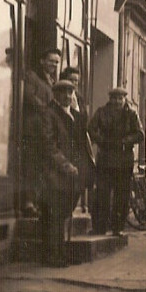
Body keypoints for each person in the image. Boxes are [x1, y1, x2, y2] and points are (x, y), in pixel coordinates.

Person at [36, 80, 89, 267]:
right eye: (63, 93)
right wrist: (65, 165)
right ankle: (52, 255)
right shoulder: (48, 114)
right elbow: (48, 145)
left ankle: (62, 252)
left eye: (70, 92)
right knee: (54, 214)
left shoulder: (74, 115)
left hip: (72, 175)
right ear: (55, 94)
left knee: (64, 214)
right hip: (54, 173)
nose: (67, 96)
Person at [89, 87, 144, 236]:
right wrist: (102, 141)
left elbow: (140, 134)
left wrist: (126, 141)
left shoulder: (132, 114)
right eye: (114, 98)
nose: (117, 102)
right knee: (102, 194)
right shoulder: (101, 112)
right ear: (110, 99)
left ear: (125, 99)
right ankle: (99, 227)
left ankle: (117, 227)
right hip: (106, 159)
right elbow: (91, 129)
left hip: (124, 159)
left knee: (122, 195)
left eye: (120, 98)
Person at [20, 48, 61, 218]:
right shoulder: (32, 77)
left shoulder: (53, 81)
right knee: (32, 166)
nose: (54, 65)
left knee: (42, 168)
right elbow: (28, 96)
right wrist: (47, 109)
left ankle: (36, 202)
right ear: (42, 61)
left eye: (57, 62)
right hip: (33, 129)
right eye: (51, 61)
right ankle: (28, 202)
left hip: (46, 131)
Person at [59, 67, 95, 211]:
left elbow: (84, 120)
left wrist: (77, 110)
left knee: (80, 181)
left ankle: (67, 213)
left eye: (76, 81)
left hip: (78, 145)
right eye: (71, 79)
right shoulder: (60, 95)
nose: (74, 83)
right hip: (64, 143)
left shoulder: (78, 98)